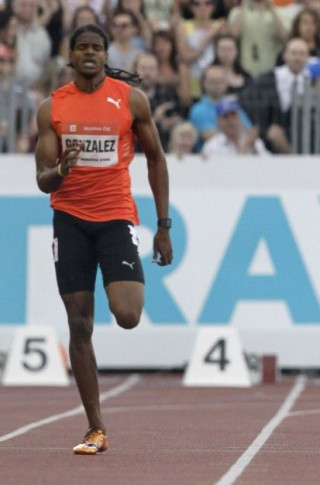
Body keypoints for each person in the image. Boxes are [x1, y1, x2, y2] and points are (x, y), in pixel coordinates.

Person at [34, 24, 173, 454]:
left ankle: (96, 424)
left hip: (115, 219)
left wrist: (163, 226)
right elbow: (42, 180)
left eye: (96, 48)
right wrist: (62, 171)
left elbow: (156, 160)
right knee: (79, 323)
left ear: (105, 54)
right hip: (69, 221)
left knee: (128, 314)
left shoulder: (130, 100)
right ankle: (95, 427)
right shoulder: (51, 107)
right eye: (82, 48)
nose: (89, 54)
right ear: (71, 56)